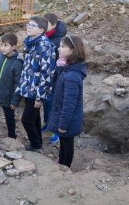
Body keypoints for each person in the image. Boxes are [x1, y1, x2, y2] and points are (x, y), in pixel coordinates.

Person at [16, 16, 55, 152]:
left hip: (36, 90)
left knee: (26, 120)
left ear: (41, 30)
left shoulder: (44, 47)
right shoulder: (31, 42)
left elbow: (47, 74)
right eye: (28, 24)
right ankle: (37, 143)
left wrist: (40, 97)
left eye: (33, 25)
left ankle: (35, 145)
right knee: (35, 118)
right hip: (29, 87)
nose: (28, 27)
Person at [47, 35, 87, 168]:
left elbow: (69, 104)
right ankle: (61, 161)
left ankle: (66, 165)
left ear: (72, 50)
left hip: (68, 119)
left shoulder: (72, 75)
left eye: (62, 46)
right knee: (64, 140)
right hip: (65, 117)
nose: (58, 49)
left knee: (67, 142)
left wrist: (63, 124)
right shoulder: (66, 68)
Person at [42, 13, 67, 145]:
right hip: (47, 75)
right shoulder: (46, 36)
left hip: (57, 76)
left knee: (55, 102)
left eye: (47, 24)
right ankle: (47, 123)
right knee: (46, 100)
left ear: (54, 25)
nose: (44, 27)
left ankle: (55, 130)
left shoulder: (59, 40)